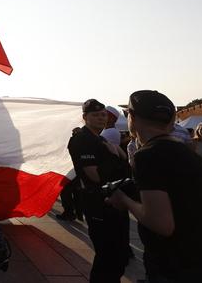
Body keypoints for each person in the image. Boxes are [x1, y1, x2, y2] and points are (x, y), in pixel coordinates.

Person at [106, 90, 202, 282]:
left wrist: (123, 199)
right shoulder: (187, 152)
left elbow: (161, 224)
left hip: (178, 265)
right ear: (171, 120)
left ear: (132, 117)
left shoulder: (148, 155)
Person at [66, 99, 130, 283]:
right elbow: (94, 175)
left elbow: (124, 164)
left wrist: (118, 155)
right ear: (85, 117)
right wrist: (117, 158)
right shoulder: (82, 139)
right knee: (107, 255)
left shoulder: (100, 139)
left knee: (119, 255)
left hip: (115, 200)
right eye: (95, 115)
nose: (101, 118)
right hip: (98, 202)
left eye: (103, 114)